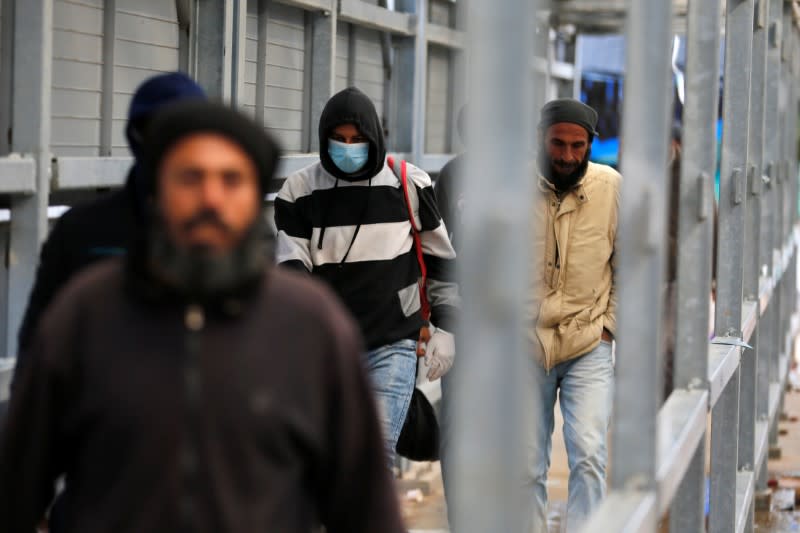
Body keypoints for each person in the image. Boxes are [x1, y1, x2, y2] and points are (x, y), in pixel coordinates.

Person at [0, 101, 405, 533]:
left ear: (254, 196)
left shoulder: (309, 326)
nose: (210, 198)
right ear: (157, 189)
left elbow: (366, 508)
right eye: (190, 177)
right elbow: (17, 488)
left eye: (231, 179)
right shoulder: (86, 315)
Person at [274, 86, 459, 465]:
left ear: (374, 138)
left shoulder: (409, 184)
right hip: (327, 349)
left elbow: (440, 259)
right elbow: (291, 267)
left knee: (374, 458)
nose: (348, 147)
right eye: (339, 140)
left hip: (393, 345)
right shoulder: (299, 191)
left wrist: (448, 328)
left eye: (357, 140)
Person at [15, 72, 206, 357]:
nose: (170, 144)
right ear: (137, 135)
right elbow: (40, 342)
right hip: (98, 396)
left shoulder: (235, 231)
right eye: (159, 129)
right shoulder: (81, 230)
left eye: (183, 130)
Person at [527, 98, 620, 532]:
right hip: (525, 343)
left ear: (590, 145)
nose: (567, 156)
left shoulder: (612, 188)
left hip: (588, 340)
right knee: (526, 463)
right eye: (557, 144)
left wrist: (608, 329)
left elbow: (629, 267)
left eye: (577, 146)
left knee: (588, 453)